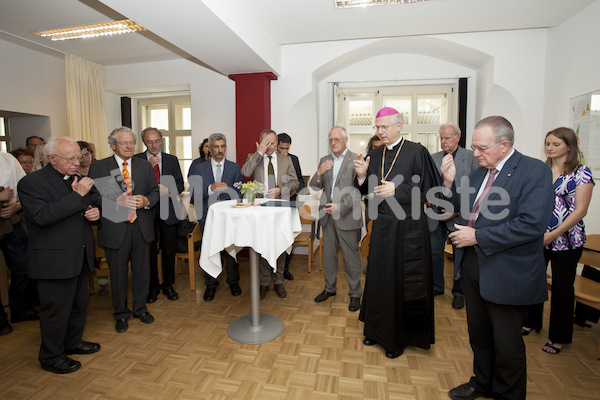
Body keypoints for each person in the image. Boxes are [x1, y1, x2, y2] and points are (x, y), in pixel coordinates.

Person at [443, 116, 554, 400]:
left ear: (504, 146)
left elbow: (531, 224)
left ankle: (507, 394)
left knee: (507, 344)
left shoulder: (534, 171)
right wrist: (448, 183)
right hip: (474, 266)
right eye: (474, 147)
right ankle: (482, 382)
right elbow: (455, 206)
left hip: (508, 271)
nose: (476, 153)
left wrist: (478, 236)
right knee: (479, 336)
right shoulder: (478, 172)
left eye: (482, 147)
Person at [353, 107, 440, 359]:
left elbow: (433, 193)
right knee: (380, 275)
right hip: (382, 225)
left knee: (403, 280)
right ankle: (376, 329)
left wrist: (399, 191)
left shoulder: (417, 152)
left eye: (385, 127)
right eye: (377, 127)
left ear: (399, 126)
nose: (380, 132)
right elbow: (368, 190)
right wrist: (360, 176)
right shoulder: (376, 152)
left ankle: (401, 336)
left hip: (409, 228)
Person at [18, 137, 101, 374]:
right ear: (52, 159)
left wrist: (95, 212)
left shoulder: (75, 179)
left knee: (77, 305)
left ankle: (72, 342)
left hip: (79, 254)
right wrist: (78, 197)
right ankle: (51, 356)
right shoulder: (31, 183)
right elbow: (42, 216)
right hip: (53, 260)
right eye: (71, 158)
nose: (78, 162)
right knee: (56, 311)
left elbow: (92, 201)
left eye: (79, 156)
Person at [521, 127, 594, 355]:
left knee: (562, 288)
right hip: (538, 237)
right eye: (548, 144)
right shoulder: (541, 170)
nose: (550, 148)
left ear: (569, 147)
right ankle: (531, 321)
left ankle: (558, 336)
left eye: (556, 144)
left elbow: (580, 210)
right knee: (534, 281)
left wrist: (553, 234)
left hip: (568, 241)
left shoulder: (581, 173)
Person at [89, 127, 159, 333]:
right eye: (124, 143)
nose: (129, 146)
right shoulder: (99, 168)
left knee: (142, 271)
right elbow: (91, 197)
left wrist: (146, 200)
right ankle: (120, 313)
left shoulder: (144, 166)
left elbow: (154, 191)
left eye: (132, 142)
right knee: (118, 275)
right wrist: (112, 199)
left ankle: (140, 308)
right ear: (112, 145)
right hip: (115, 228)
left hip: (141, 226)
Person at [241, 129, 299, 300]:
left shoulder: (286, 159)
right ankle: (264, 282)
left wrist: (281, 189)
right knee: (262, 245)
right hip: (260, 209)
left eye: (272, 143)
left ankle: (279, 281)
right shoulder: (255, 157)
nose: (270, 146)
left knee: (280, 244)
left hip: (280, 208)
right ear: (260, 143)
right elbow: (245, 172)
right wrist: (258, 152)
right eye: (266, 142)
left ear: (276, 143)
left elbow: (295, 182)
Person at [310, 126, 363, 312]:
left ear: (346, 140)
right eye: (330, 139)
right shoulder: (325, 160)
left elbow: (358, 192)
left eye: (337, 139)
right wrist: (318, 173)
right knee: (329, 256)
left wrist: (341, 207)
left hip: (347, 215)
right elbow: (315, 187)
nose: (333, 142)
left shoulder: (356, 160)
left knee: (351, 258)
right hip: (327, 216)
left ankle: (355, 294)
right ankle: (329, 288)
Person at [428, 123, 479, 310]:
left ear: (458, 138)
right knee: (434, 252)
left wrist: (457, 211)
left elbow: (475, 190)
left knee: (460, 255)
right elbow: (428, 185)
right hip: (435, 215)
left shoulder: (472, 158)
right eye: (441, 138)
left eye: (447, 138)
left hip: (460, 217)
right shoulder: (433, 158)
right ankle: (436, 286)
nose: (443, 141)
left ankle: (459, 292)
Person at [189, 133, 242, 301]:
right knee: (211, 250)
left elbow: (240, 193)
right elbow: (192, 197)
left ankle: (233, 281)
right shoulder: (199, 169)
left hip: (230, 217)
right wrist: (210, 189)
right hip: (208, 217)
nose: (220, 150)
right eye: (216, 147)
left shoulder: (234, 168)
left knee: (232, 250)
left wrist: (232, 192)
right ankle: (210, 285)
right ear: (210, 149)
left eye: (223, 146)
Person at [135, 127, 184, 303]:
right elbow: (132, 186)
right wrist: (147, 169)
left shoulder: (171, 159)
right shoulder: (137, 160)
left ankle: (168, 285)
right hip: (146, 212)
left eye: (157, 141)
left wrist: (169, 189)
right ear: (144, 143)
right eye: (150, 142)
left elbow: (180, 185)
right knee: (148, 252)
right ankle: (153, 287)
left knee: (169, 250)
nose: (154, 145)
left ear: (161, 140)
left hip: (167, 210)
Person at [0, 151, 38, 324]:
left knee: (22, 267)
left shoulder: (7, 158)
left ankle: (20, 310)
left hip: (11, 220)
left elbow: (25, 187)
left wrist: (16, 206)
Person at [76, 141, 109, 296]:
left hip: (101, 215)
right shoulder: (73, 174)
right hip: (80, 217)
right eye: (80, 155)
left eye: (86, 154)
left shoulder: (100, 169)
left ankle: (103, 283)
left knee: (101, 250)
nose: (84, 158)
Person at [277, 132, 306, 281]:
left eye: (287, 148)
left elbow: (301, 181)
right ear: (276, 146)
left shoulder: (293, 159)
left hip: (290, 203)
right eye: (281, 148)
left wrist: (295, 189)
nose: (284, 152)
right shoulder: (271, 160)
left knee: (288, 237)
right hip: (273, 205)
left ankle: (284, 269)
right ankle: (272, 270)